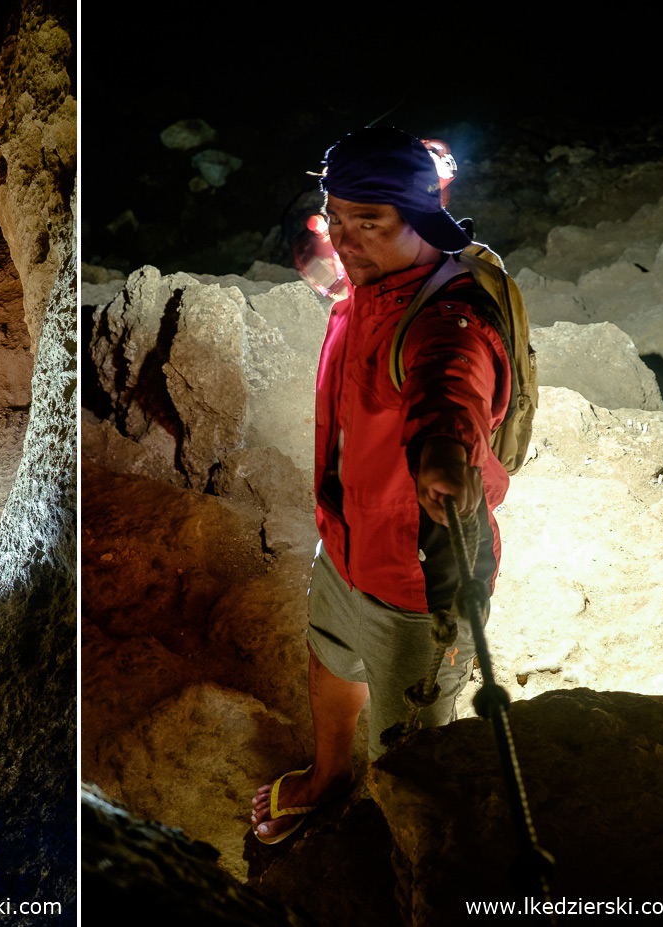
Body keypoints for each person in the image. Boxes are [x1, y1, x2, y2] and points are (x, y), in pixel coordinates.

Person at [251, 127, 512, 845]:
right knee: (330, 653)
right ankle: (332, 770)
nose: (343, 239)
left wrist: (443, 454)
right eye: (335, 219)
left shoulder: (449, 320)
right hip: (347, 541)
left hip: (414, 577)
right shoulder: (368, 282)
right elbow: (345, 262)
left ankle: (402, 846)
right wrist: (330, 239)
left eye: (367, 224)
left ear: (420, 219)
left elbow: (450, 385)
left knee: (415, 747)